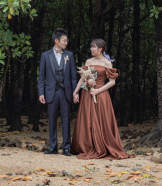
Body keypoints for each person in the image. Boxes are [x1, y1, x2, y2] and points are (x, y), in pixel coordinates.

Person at [71, 38, 133, 160]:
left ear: (100, 49)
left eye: (94, 47)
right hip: (87, 94)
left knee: (100, 120)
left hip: (101, 94)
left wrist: (98, 90)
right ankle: (86, 147)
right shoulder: (88, 61)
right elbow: (82, 79)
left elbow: (112, 82)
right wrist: (75, 92)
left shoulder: (107, 63)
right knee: (87, 120)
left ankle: (102, 146)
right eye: (91, 47)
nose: (91, 49)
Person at [38, 27, 79, 155]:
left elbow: (73, 77)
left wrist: (75, 92)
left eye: (66, 41)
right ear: (56, 40)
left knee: (66, 119)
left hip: (65, 91)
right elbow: (41, 77)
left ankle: (66, 147)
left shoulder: (70, 55)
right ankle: (53, 146)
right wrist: (41, 93)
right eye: (64, 41)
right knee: (52, 120)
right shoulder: (45, 55)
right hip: (51, 91)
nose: (66, 43)